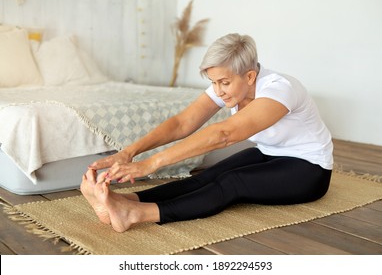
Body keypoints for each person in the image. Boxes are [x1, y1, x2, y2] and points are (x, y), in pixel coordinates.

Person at [81, 33, 333, 233]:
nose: (218, 90)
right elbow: (182, 123)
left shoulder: (280, 89)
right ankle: (126, 202)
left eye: (223, 82)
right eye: (213, 82)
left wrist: (151, 164)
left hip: (310, 169)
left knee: (232, 183)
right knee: (206, 177)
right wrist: (129, 153)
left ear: (250, 76)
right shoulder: (231, 85)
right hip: (270, 154)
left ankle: (136, 214)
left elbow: (224, 134)